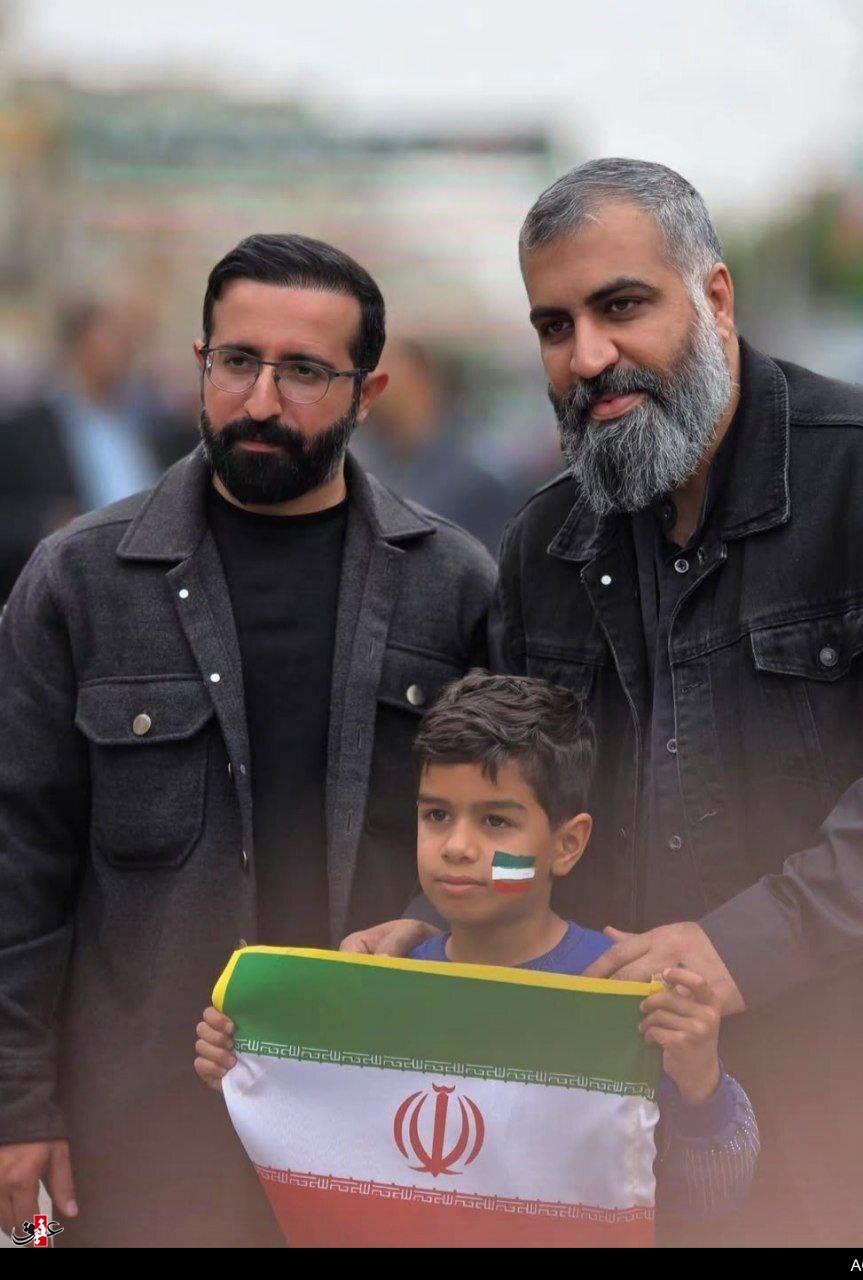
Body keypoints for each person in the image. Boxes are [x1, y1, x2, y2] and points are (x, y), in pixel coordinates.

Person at [344, 160, 863, 1248]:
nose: (588, 356)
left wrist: (742, 947)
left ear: (714, 298)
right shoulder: (544, 541)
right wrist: (446, 920)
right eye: (554, 325)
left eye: (621, 305)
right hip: (620, 1137)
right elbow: (514, 799)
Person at [0, 233, 495, 1248]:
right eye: (237, 362)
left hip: (386, 1125)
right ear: (198, 364)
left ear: (368, 391)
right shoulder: (81, 581)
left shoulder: (453, 587)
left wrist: (427, 925)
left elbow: (519, 843)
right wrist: (18, 1100)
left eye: (304, 371)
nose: (261, 400)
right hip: (138, 1137)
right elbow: (18, 858)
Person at [196, 672, 759, 1232]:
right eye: (437, 815)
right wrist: (251, 1068)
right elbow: (331, 1147)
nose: (458, 847)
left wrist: (701, 1085)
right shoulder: (381, 988)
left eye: (495, 821)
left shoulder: (623, 996)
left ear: (567, 844)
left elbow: (715, 1200)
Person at [0, 299, 180, 601]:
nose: (124, 350)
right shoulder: (25, 432)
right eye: (111, 337)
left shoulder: (150, 425)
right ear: (78, 344)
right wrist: (48, 523)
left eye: (127, 339)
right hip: (71, 592)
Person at [352, 337, 517, 554]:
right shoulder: (366, 469)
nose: (369, 390)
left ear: (422, 382)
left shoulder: (473, 480)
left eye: (384, 378)